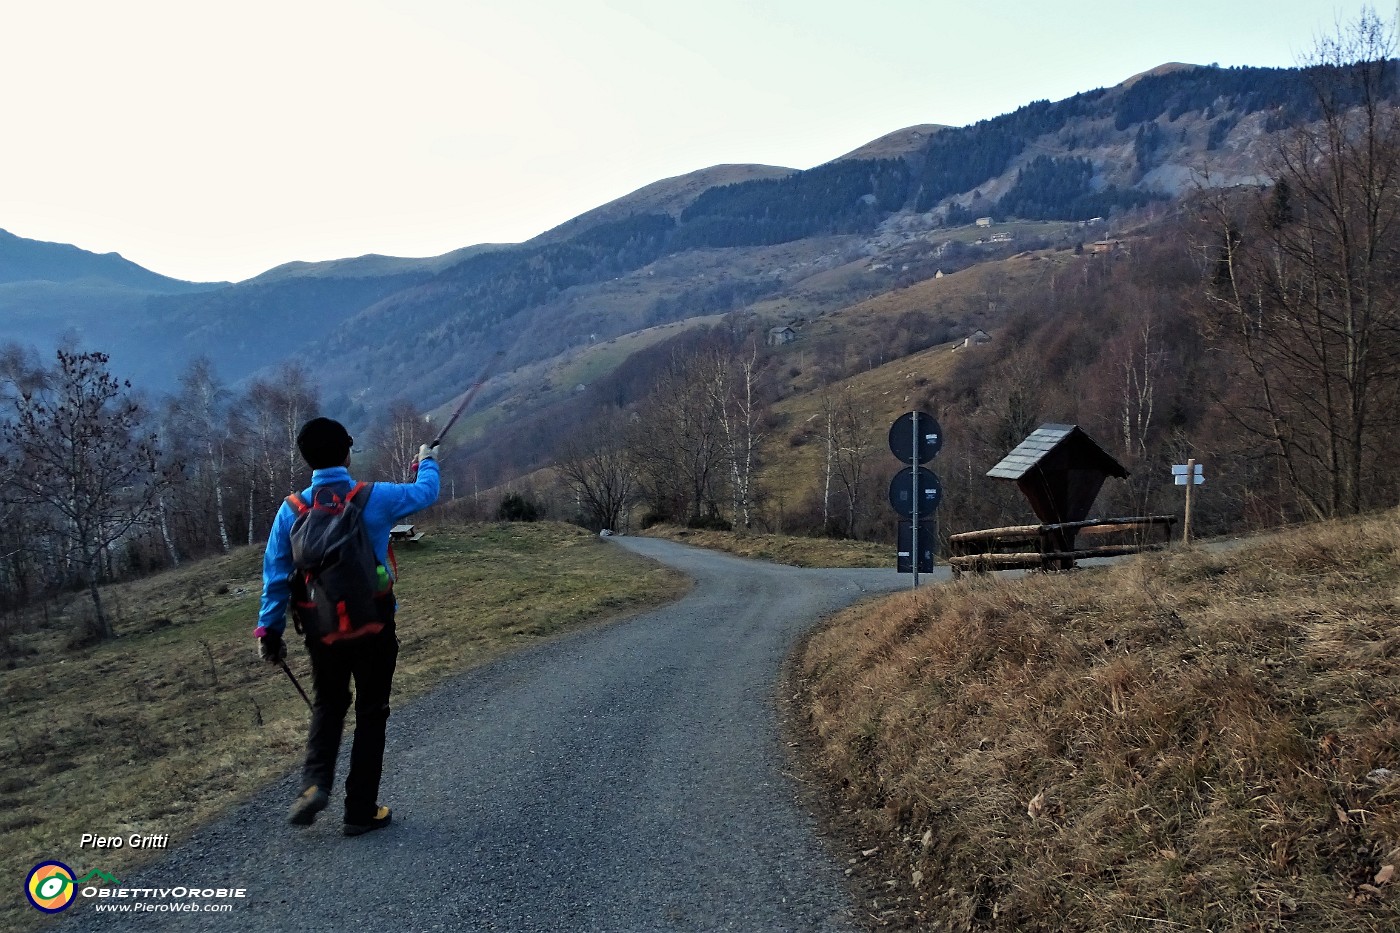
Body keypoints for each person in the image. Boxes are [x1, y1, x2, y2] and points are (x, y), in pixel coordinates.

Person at [255, 417, 439, 835]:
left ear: (307, 459)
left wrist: (269, 632)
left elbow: (275, 575)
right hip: (374, 625)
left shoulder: (292, 510)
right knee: (372, 712)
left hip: (322, 632)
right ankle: (360, 810)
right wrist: (426, 461)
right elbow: (428, 492)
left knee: (328, 705)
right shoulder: (374, 497)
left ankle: (315, 784)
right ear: (347, 453)